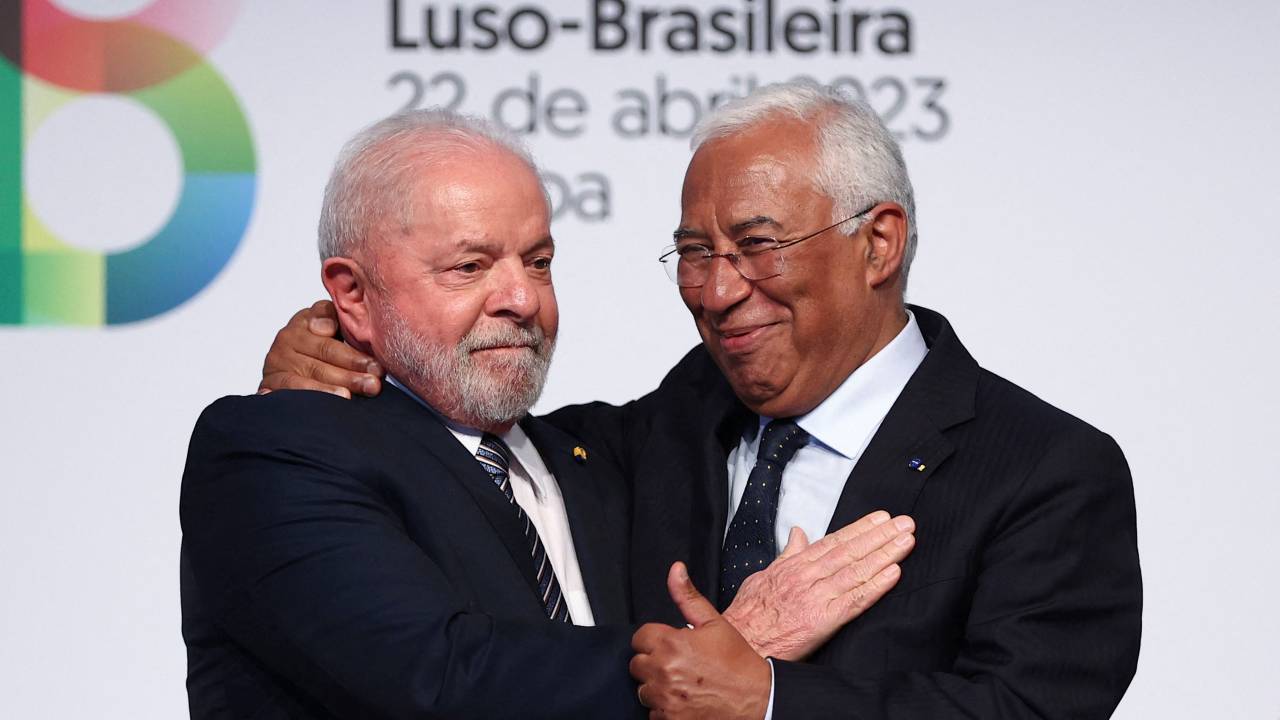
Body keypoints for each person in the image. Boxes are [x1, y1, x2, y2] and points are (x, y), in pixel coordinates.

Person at [261, 81, 1142, 719]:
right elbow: (478, 439)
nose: (716, 290)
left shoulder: (1046, 471)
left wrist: (768, 701)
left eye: (758, 245)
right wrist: (340, 349)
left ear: (878, 244)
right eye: (692, 251)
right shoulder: (677, 419)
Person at [182, 108, 916, 718]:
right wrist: (717, 655)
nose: (522, 299)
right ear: (350, 292)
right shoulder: (268, 452)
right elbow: (437, 679)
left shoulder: (597, 457)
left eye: (537, 261)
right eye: (470, 267)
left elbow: (781, 336)